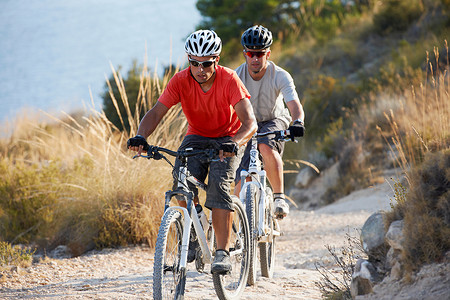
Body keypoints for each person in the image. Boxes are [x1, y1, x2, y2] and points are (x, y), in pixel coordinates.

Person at [127, 30, 257, 274]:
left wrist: (235, 142)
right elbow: (156, 112)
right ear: (189, 60)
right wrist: (141, 136)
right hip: (196, 135)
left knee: (219, 188)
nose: (200, 69)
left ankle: (222, 252)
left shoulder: (229, 80)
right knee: (180, 181)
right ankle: (193, 231)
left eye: (206, 63)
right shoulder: (180, 80)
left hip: (227, 138)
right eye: (194, 63)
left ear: (216, 60)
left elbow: (251, 123)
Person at [234, 25, 305, 219]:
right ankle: (241, 236)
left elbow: (294, 104)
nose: (255, 58)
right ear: (245, 54)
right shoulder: (235, 77)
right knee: (239, 183)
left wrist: (298, 122)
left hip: (275, 120)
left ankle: (279, 197)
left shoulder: (280, 75)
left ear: (268, 54)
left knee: (265, 146)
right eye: (251, 53)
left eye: (260, 53)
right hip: (249, 126)